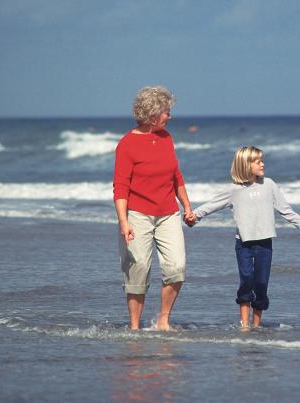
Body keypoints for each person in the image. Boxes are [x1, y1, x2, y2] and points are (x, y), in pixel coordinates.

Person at [185, 146, 300, 330]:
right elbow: (213, 204)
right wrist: (195, 216)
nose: (262, 164)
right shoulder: (235, 190)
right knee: (247, 279)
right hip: (244, 244)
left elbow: (285, 210)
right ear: (245, 165)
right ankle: (244, 323)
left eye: (262, 160)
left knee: (261, 283)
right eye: (258, 161)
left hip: (265, 243)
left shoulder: (269, 185)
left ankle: (256, 324)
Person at [113, 86, 193, 331]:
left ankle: (163, 320)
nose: (170, 116)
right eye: (167, 112)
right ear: (153, 114)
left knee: (176, 268)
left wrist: (187, 207)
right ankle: (135, 327)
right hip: (137, 215)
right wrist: (124, 223)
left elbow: (176, 176)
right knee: (137, 271)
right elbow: (120, 187)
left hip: (169, 213)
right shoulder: (126, 144)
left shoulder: (167, 138)